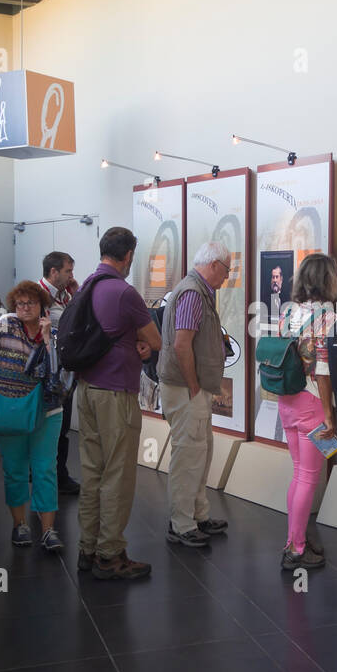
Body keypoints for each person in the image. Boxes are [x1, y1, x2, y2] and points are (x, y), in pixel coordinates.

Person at [74, 228, 163, 579]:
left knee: (93, 471)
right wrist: (140, 344)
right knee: (118, 474)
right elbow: (154, 340)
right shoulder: (125, 292)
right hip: (115, 393)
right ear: (127, 256)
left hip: (88, 389)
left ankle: (88, 547)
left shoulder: (87, 286)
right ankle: (110, 555)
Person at [0, 281, 67, 551]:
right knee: (14, 470)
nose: (25, 308)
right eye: (20, 303)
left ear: (42, 306)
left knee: (45, 469)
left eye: (31, 303)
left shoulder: (54, 333)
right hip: (9, 408)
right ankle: (19, 525)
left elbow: (58, 373)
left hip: (47, 410)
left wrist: (48, 340)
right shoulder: (3, 326)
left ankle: (48, 529)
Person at [158, 241, 232, 547]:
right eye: (226, 270)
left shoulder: (198, 291)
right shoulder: (192, 293)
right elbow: (181, 344)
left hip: (192, 388)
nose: (227, 278)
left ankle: (198, 514)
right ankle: (182, 524)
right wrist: (193, 384)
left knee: (200, 452)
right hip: (187, 388)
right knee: (189, 455)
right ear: (214, 265)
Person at [277, 253, 337, 570]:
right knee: (308, 479)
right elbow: (323, 369)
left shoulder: (288, 312)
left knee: (298, 474)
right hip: (312, 401)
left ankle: (294, 540)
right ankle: (297, 549)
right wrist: (329, 413)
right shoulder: (325, 314)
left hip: (286, 400)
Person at [40, 251, 81, 495]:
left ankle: (59, 473)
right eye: (68, 271)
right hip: (47, 373)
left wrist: (76, 294)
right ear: (53, 272)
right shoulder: (37, 296)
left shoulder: (66, 296)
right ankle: (46, 474)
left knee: (62, 426)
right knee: (48, 426)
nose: (71, 276)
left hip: (65, 371)